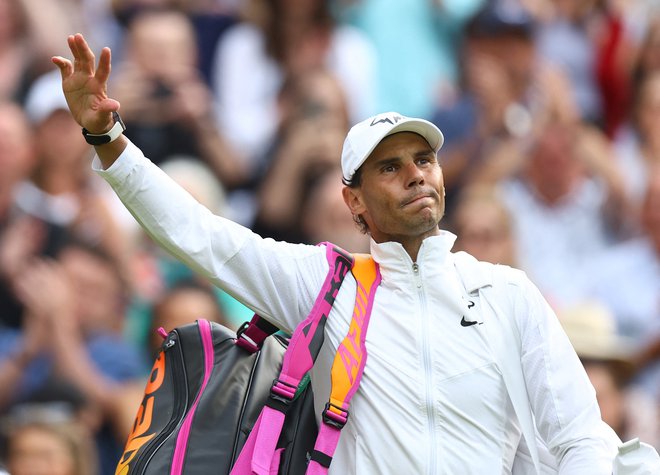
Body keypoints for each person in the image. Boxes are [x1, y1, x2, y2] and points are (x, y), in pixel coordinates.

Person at [52, 33, 659, 474]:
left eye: (424, 161)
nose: (416, 176)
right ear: (355, 203)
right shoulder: (326, 284)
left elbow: (580, 438)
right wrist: (107, 139)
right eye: (391, 168)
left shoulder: (508, 292)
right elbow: (201, 234)